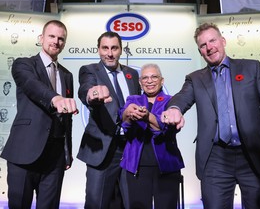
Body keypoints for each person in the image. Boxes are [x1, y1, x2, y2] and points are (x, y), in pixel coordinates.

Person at [161, 22, 260, 209]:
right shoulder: (195, 78)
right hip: (216, 158)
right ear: (200, 52)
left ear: (223, 41)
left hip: (253, 153)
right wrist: (174, 109)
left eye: (212, 41)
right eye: (203, 45)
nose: (209, 47)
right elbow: (182, 98)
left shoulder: (251, 68)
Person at [1, 20, 78, 209]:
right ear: (41, 38)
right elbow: (32, 86)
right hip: (24, 152)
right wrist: (55, 98)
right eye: (52, 36)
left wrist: (67, 152)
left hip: (55, 158)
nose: (56, 41)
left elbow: (67, 119)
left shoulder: (67, 75)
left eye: (61, 38)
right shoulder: (24, 65)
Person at [77, 31, 141, 209]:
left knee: (132, 203)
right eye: (105, 48)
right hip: (102, 150)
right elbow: (86, 89)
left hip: (130, 149)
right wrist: (92, 94)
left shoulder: (132, 75)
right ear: (98, 50)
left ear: (121, 50)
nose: (110, 53)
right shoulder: (89, 70)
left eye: (114, 48)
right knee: (96, 204)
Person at [119, 63, 184, 209]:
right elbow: (124, 123)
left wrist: (147, 116)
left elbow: (167, 129)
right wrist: (128, 114)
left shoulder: (171, 101)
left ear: (162, 81)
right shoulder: (132, 100)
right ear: (140, 82)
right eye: (145, 78)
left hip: (167, 166)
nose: (149, 81)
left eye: (154, 77)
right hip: (136, 167)